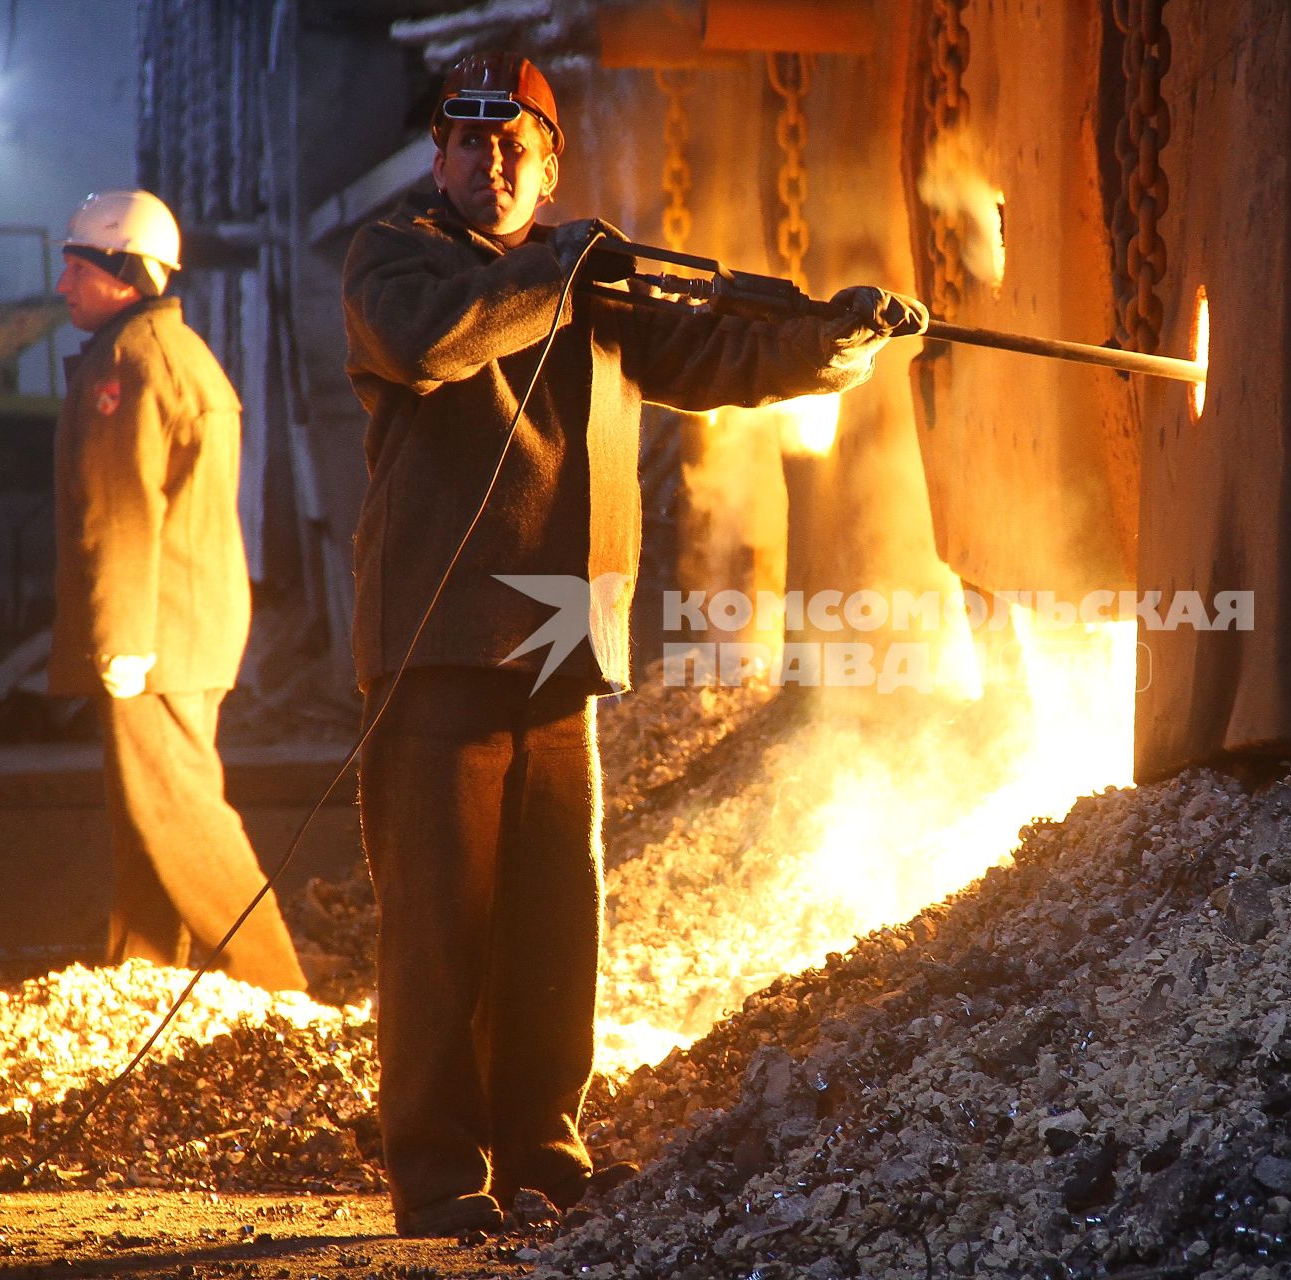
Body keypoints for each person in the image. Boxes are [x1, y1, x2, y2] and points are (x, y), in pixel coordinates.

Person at [341, 51, 923, 1237]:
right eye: (470, 141)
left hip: (564, 647)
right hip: (442, 648)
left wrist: (829, 343)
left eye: (516, 145)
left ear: (548, 166)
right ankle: (442, 1175)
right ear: (439, 159)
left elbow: (706, 355)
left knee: (553, 927)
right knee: (441, 932)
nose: (490, 160)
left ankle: (543, 1155)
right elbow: (434, 342)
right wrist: (566, 268)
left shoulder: (582, 277)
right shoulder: (398, 259)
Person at [49, 190, 307, 994]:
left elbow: (123, 508)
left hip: (156, 630)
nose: (63, 285)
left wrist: (122, 637)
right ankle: (144, 977)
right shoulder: (167, 351)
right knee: (147, 812)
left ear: (124, 274)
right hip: (180, 623)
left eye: (77, 267)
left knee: (180, 813)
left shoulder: (131, 365)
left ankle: (273, 985)